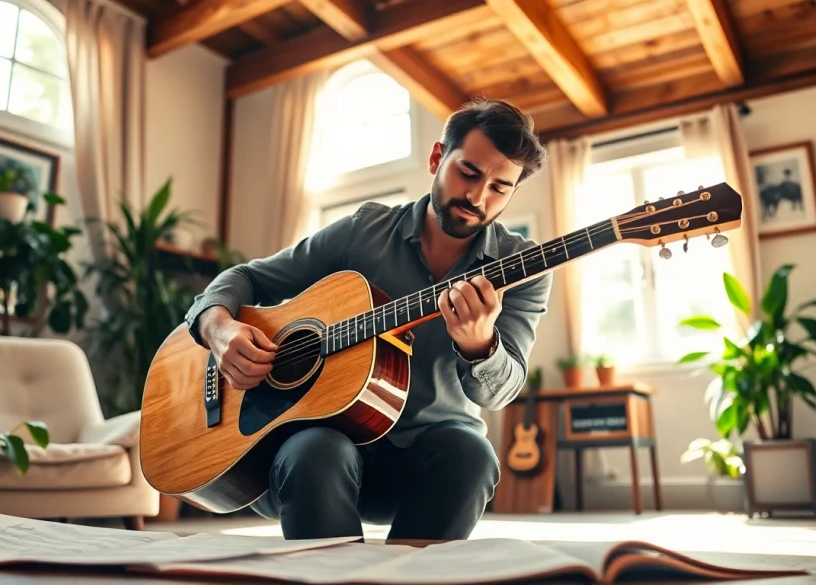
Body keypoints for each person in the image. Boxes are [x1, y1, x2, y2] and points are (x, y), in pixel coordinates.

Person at [184, 99, 552, 542]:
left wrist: (480, 345)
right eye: (468, 173)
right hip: (324, 449)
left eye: (499, 188)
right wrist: (218, 328)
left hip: (429, 458)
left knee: (472, 455)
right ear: (437, 158)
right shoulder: (364, 231)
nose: (477, 198)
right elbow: (245, 277)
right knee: (316, 451)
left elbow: (501, 392)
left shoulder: (523, 268)